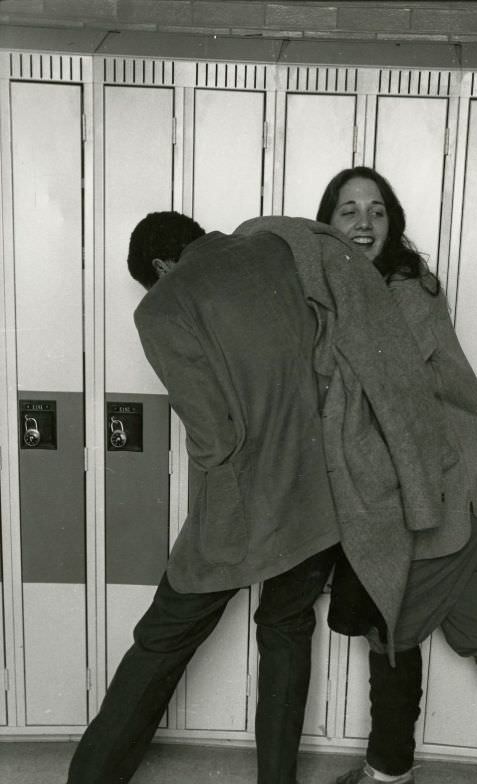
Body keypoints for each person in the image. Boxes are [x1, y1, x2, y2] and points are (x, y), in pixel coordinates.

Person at [315, 167, 477, 784]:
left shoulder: (409, 292)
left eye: (377, 211)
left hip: (444, 489)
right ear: (327, 224)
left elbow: (370, 391)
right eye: (348, 210)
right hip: (427, 496)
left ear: (393, 223)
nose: (363, 223)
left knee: (394, 623)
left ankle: (390, 769)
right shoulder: (339, 296)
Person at [66, 211, 343, 784]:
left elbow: (214, 436)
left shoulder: (163, 306)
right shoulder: (275, 255)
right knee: (288, 631)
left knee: (160, 643)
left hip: (241, 505)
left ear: (162, 266)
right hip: (319, 495)